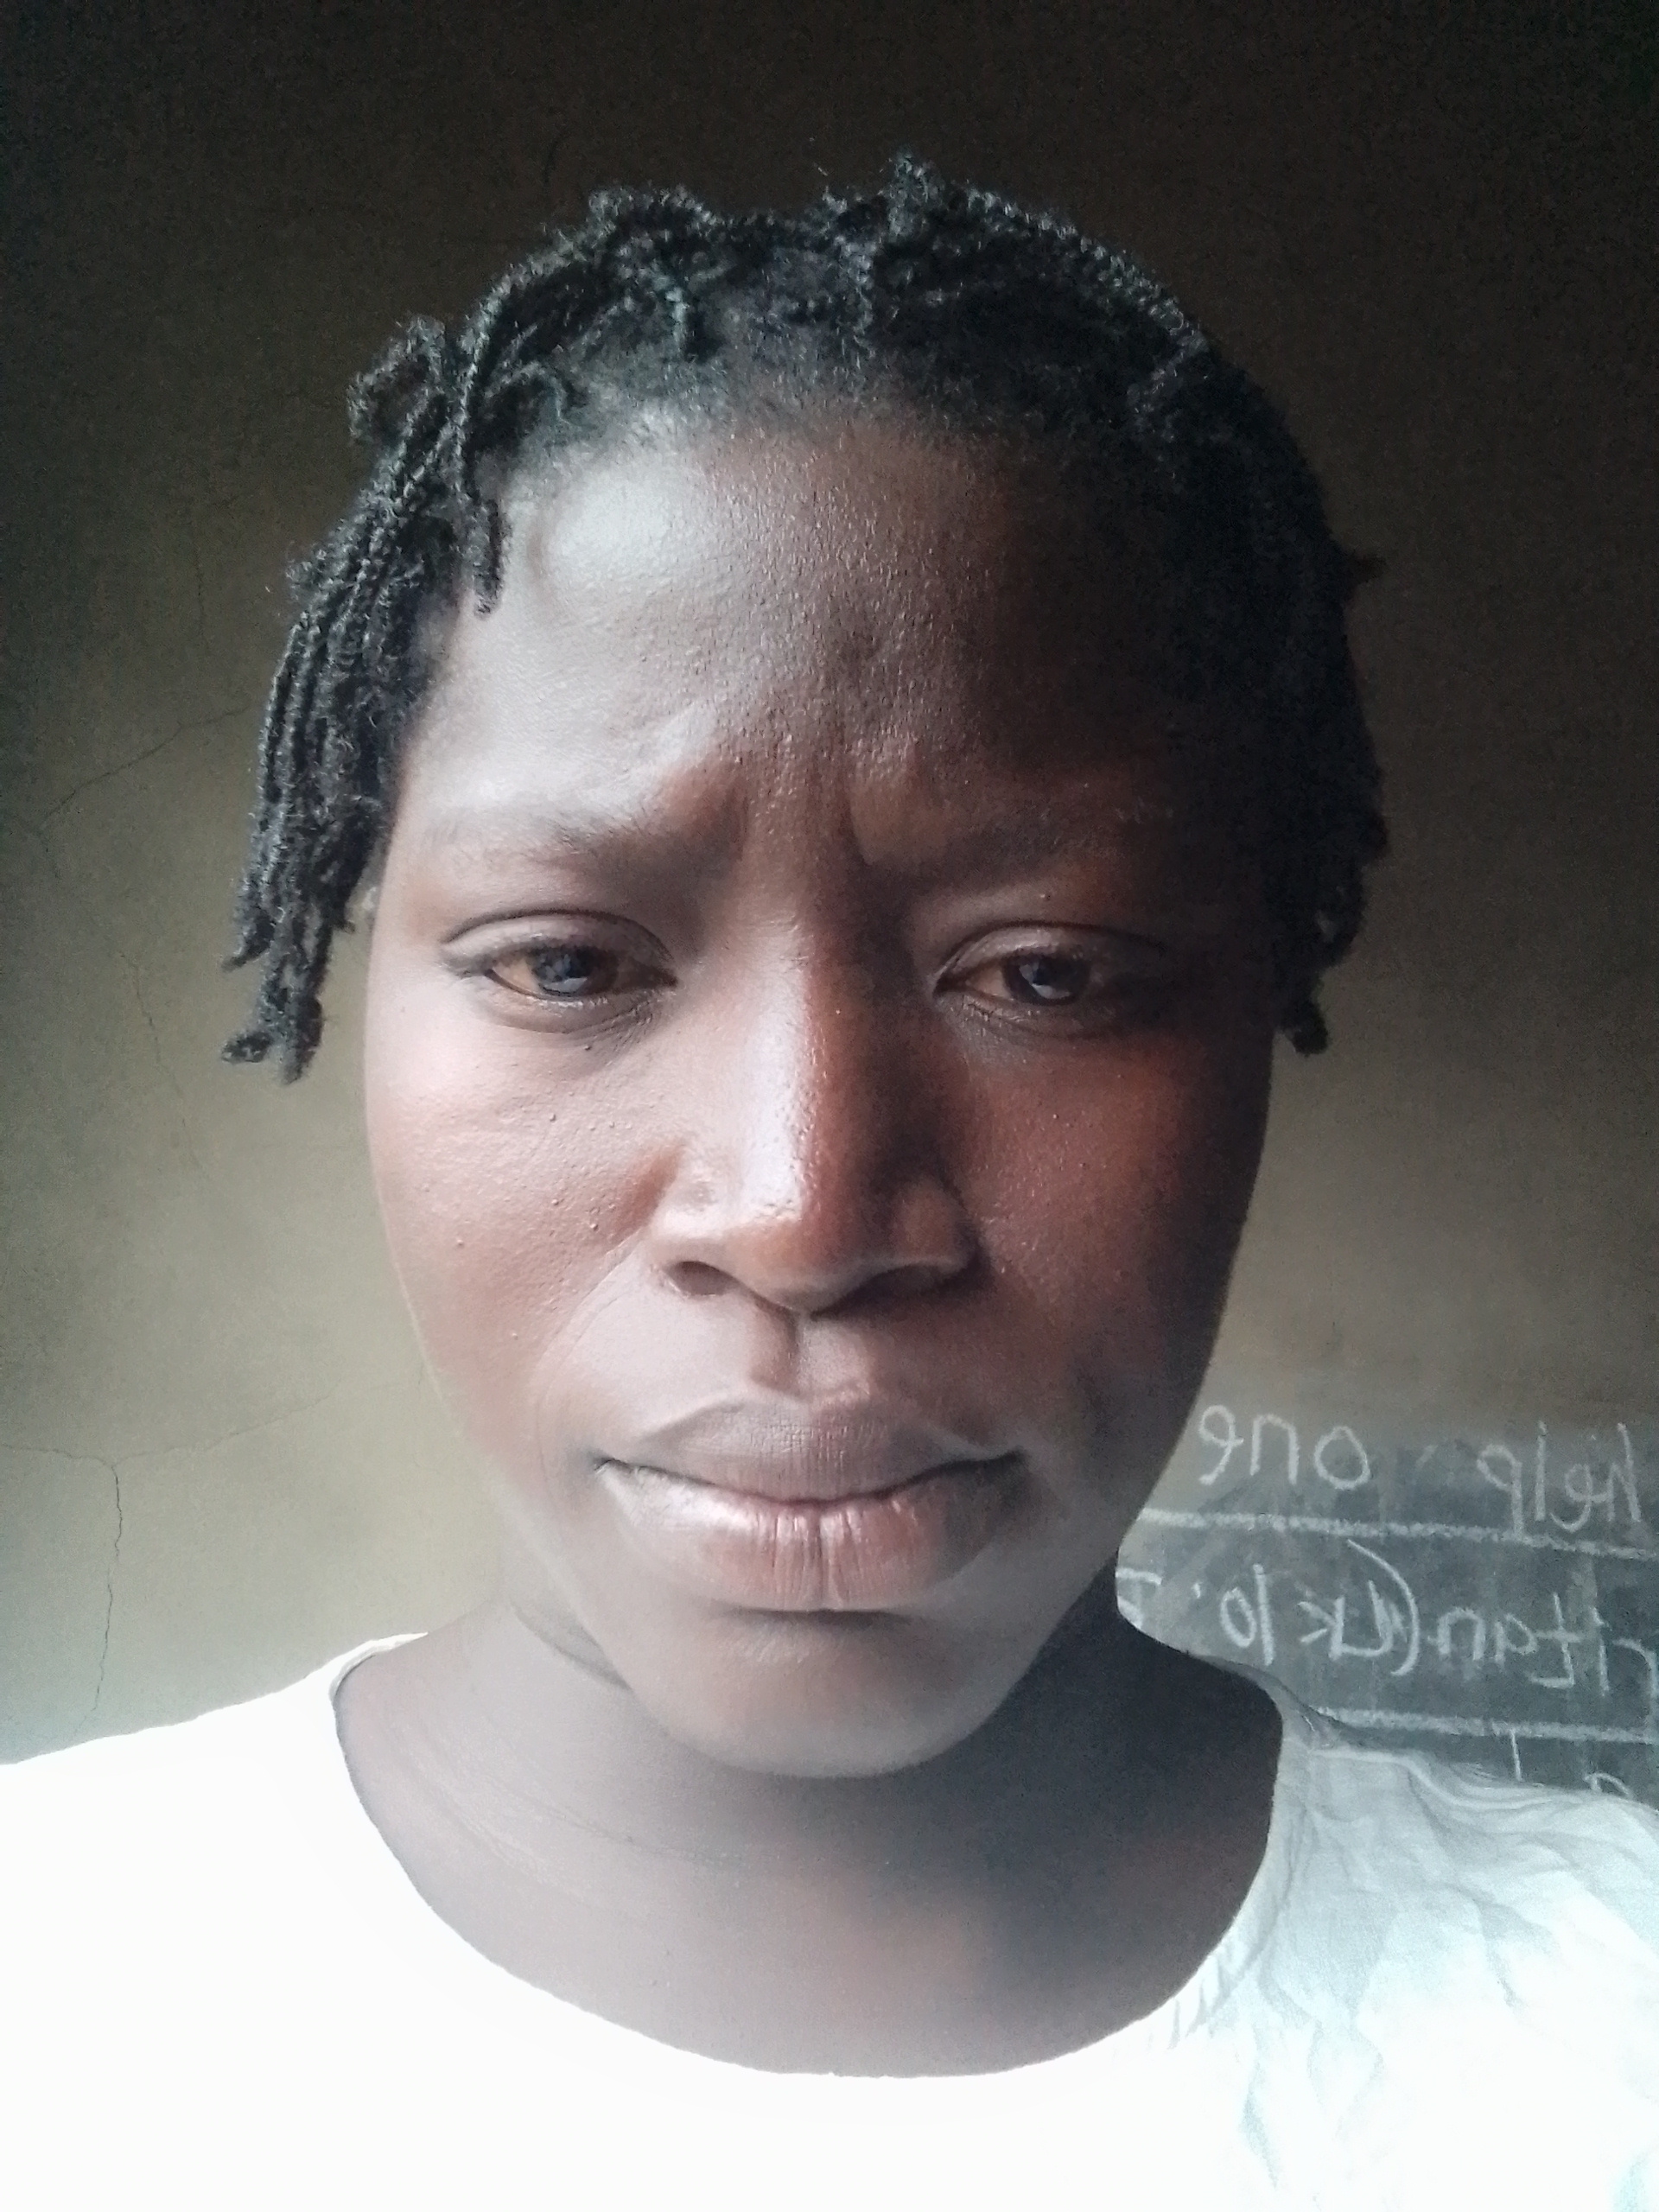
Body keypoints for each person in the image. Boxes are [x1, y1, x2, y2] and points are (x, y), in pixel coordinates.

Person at [3, 156, 1656, 2209]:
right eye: (570, 963)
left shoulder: (1604, 2047)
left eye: (1045, 973)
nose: (802, 1212)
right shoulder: (57, 1999)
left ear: (1260, 1009)